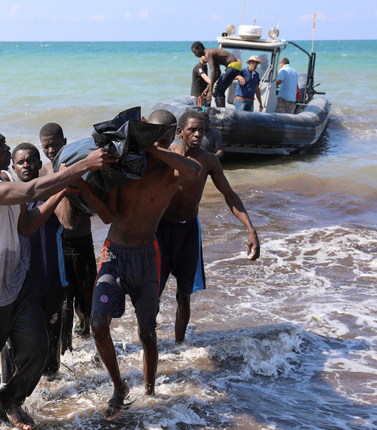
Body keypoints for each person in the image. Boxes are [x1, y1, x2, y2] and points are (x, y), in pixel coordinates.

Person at [0, 125, 116, 429]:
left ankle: (10, 400)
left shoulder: (4, 181)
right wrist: (84, 165)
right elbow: (30, 191)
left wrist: (60, 192)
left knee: (37, 348)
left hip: (16, 283)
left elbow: (27, 225)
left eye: (6, 143)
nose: (7, 148)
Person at [91, 110, 201, 421]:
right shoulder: (126, 165)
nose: (157, 142)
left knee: (147, 332)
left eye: (163, 138)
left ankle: (150, 392)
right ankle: (119, 387)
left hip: (146, 256)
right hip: (114, 254)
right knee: (98, 325)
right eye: (150, 135)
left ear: (168, 139)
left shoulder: (171, 173)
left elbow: (193, 171)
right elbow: (107, 214)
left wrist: (155, 148)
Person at [156, 110, 260, 344]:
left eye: (201, 130)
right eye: (192, 129)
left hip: (188, 232)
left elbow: (229, 195)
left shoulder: (208, 160)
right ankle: (150, 343)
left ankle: (179, 345)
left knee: (184, 295)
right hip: (161, 230)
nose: (197, 134)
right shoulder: (166, 154)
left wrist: (251, 229)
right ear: (179, 132)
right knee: (154, 293)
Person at [39, 123, 113, 353]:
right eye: (46, 147)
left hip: (80, 244)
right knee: (64, 303)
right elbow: (62, 219)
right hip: (58, 247)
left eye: (55, 145)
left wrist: (69, 176)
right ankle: (67, 351)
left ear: (65, 142)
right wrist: (63, 180)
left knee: (86, 301)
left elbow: (72, 221)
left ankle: (88, 341)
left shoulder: (78, 168)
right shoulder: (44, 171)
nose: (51, 151)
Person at [0, 143, 71, 383]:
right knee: (12, 340)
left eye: (31, 160)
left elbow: (69, 222)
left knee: (51, 340)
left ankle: (53, 391)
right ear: (13, 168)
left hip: (51, 277)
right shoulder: (8, 197)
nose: (26, 165)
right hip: (19, 282)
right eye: (20, 162)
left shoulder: (51, 193)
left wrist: (62, 185)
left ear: (41, 165)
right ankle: (9, 388)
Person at [191, 42, 241, 108]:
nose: (195, 55)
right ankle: (222, 111)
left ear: (200, 48)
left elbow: (213, 71)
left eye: (195, 52)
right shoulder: (212, 55)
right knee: (218, 90)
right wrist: (208, 88)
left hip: (233, 66)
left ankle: (221, 112)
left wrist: (210, 92)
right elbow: (217, 73)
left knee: (217, 90)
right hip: (235, 67)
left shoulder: (208, 53)